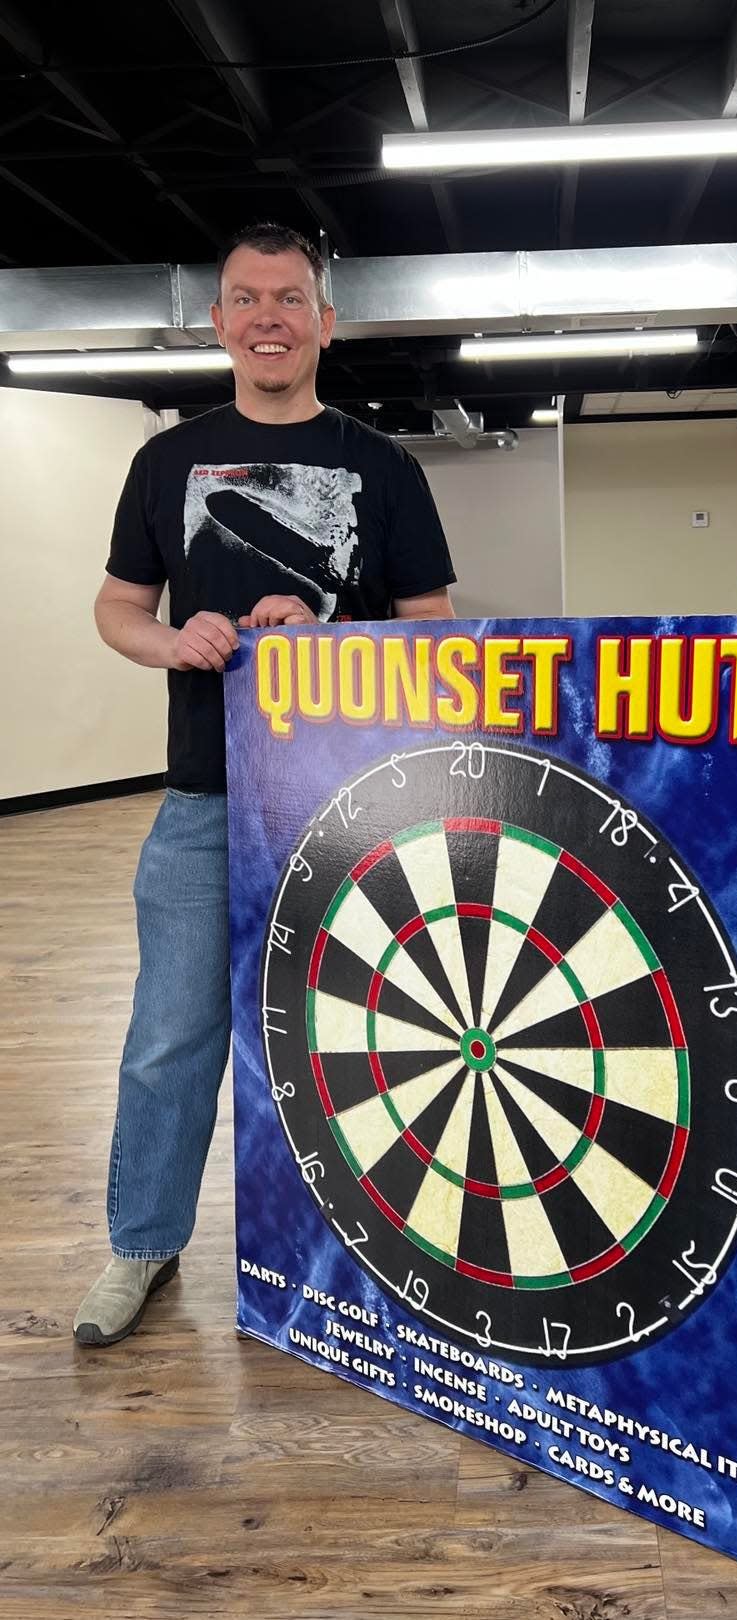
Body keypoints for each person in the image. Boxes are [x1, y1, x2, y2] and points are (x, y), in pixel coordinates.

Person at [74, 222, 456, 1347]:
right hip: (203, 801)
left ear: (325, 322)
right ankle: (141, 1245)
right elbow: (115, 610)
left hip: (350, 808)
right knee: (169, 1039)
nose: (269, 318)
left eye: (290, 298)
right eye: (247, 299)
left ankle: (368, 1251)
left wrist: (329, 630)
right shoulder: (163, 460)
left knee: (371, 1040)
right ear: (219, 322)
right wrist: (173, 639)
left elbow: (437, 633)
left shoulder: (382, 467)